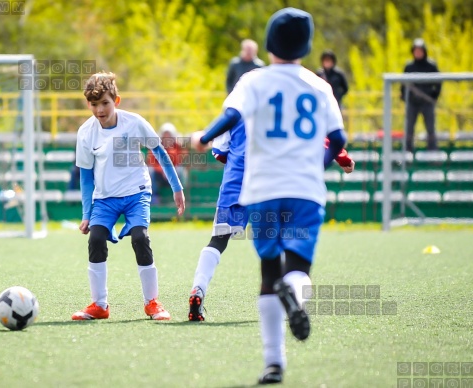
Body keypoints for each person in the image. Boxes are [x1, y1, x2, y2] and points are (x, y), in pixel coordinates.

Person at [196, 8, 347, 384]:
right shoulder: (320, 86)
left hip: (262, 189)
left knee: (268, 273)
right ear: (307, 46)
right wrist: (321, 163)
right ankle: (294, 290)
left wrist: (203, 135)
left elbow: (231, 117)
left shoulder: (253, 80)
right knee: (298, 268)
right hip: (305, 192)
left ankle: (273, 363)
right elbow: (340, 140)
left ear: (268, 44)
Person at [188, 124, 354, 322]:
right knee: (281, 244)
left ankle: (199, 287)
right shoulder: (284, 98)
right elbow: (318, 136)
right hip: (269, 184)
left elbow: (219, 152)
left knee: (217, 240)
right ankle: (289, 292)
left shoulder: (237, 105)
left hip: (235, 183)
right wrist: (342, 157)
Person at [73, 71, 185, 321]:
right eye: (94, 104)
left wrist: (177, 188)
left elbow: (161, 153)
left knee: (140, 238)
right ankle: (99, 305)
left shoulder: (135, 123)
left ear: (117, 101)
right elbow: (86, 176)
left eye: (105, 103)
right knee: (96, 239)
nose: (100, 109)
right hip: (104, 199)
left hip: (137, 194)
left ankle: (152, 303)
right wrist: (86, 214)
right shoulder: (85, 133)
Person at [401, 38, 441, 152]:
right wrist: (404, 96)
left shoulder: (431, 66)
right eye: (416, 50)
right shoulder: (409, 66)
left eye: (420, 50)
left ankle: (432, 151)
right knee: (409, 128)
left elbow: (439, 82)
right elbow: (403, 84)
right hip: (413, 102)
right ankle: (408, 151)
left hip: (427, 102)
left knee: (430, 128)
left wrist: (434, 96)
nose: (418, 53)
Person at [147, 123, 187, 205]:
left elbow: (179, 160)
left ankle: (181, 195)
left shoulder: (177, 146)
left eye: (169, 135)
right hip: (159, 175)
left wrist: (170, 170)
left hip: (174, 175)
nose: (167, 137)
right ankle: (155, 196)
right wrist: (163, 170)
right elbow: (152, 162)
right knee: (150, 170)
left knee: (180, 170)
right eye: (165, 135)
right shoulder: (155, 146)